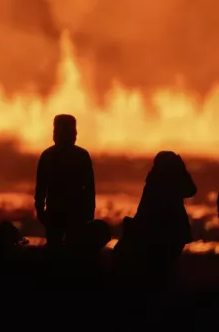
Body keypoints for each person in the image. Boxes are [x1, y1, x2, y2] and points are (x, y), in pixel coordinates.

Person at [114, 151, 198, 284]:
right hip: (164, 233)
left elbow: (191, 191)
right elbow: (191, 190)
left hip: (161, 233)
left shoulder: (155, 180)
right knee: (163, 271)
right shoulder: (165, 181)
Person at [34, 114, 96, 250]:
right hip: (64, 212)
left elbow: (89, 188)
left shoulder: (49, 155)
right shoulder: (79, 155)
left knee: (63, 249)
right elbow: (41, 186)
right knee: (67, 250)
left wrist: (40, 209)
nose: (74, 134)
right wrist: (40, 209)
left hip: (71, 213)